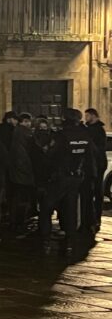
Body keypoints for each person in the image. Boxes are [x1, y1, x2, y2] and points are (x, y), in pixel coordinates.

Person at [41, 108, 96, 254]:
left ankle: (45, 240)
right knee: (71, 209)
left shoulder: (61, 135)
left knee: (47, 207)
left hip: (60, 177)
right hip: (77, 177)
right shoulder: (85, 135)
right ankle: (70, 241)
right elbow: (91, 156)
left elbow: (50, 156)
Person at [8, 112, 35, 237]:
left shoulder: (16, 133)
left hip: (16, 172)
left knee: (16, 199)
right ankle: (18, 223)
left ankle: (15, 222)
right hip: (23, 172)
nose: (28, 124)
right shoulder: (26, 133)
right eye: (26, 121)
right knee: (22, 199)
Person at [84, 108, 107, 232]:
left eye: (87, 116)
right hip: (95, 163)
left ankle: (95, 218)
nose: (86, 118)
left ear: (93, 115)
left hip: (97, 164)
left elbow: (98, 149)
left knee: (96, 191)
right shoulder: (91, 129)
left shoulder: (98, 130)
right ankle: (93, 218)